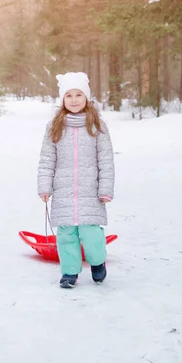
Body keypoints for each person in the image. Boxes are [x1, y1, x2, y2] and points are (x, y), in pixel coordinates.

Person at [37, 71, 115, 288]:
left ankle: (97, 262)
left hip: (90, 191)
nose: (73, 100)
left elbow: (106, 160)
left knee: (91, 233)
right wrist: (45, 186)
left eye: (78, 95)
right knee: (66, 235)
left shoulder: (97, 125)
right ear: (62, 99)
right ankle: (69, 272)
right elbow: (46, 159)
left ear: (87, 97)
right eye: (69, 95)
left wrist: (105, 189)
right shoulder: (55, 126)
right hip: (63, 192)